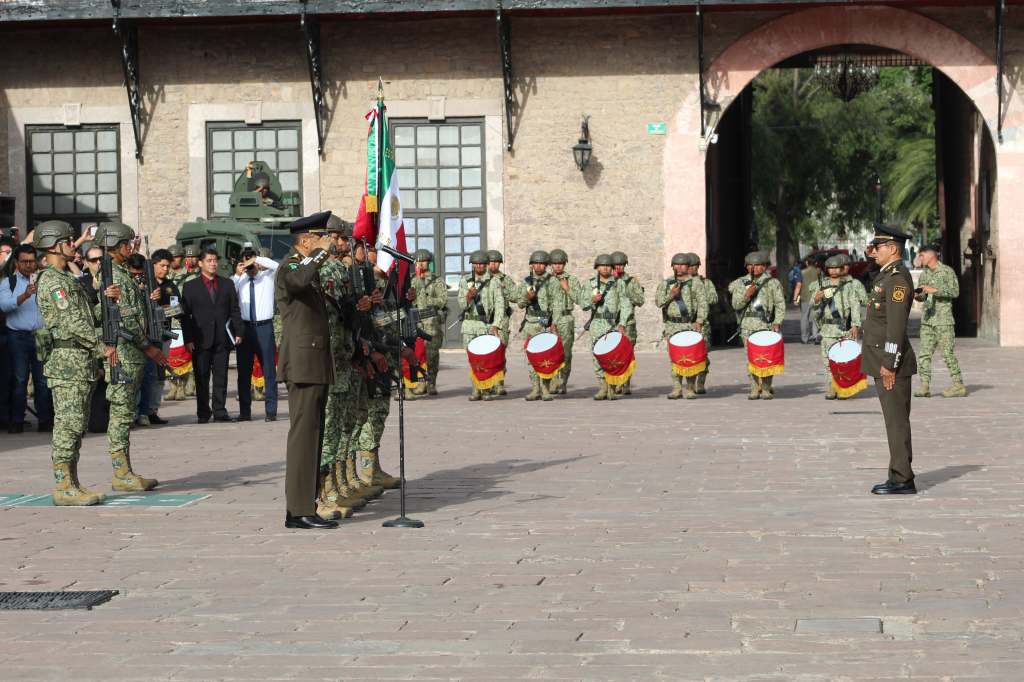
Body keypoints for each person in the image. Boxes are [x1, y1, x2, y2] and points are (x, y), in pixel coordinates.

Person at [33, 221, 118, 505]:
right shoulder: (53, 281)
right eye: (69, 241)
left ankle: (73, 481)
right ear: (55, 246)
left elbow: (86, 316)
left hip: (79, 362)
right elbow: (72, 323)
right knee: (67, 425)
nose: (74, 245)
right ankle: (63, 485)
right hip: (67, 363)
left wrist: (104, 301)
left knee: (77, 425)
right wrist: (100, 346)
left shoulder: (67, 280)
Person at [276, 211, 339, 530]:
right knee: (303, 436)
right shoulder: (290, 266)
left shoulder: (306, 266)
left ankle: (304, 505)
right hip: (302, 363)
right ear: (305, 240)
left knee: (313, 435)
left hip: (314, 362)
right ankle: (298, 508)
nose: (325, 240)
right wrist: (321, 251)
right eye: (319, 236)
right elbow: (298, 280)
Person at [92, 222, 166, 491]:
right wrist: (149, 347)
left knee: (125, 413)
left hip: (131, 352)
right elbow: (126, 317)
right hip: (124, 353)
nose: (131, 247)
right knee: (122, 414)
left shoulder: (121, 273)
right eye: (128, 244)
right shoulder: (115, 275)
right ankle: (121, 473)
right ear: (119, 245)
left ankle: (125, 470)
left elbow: (134, 308)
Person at [862, 225, 918, 495]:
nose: (874, 251)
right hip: (884, 358)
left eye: (878, 247)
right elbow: (874, 280)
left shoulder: (897, 280)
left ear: (892, 249)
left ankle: (902, 478)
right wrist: (870, 258)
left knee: (896, 421)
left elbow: (895, 326)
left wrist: (889, 363)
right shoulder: (887, 276)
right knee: (893, 420)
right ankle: (898, 473)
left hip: (891, 362)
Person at [179, 248, 243, 423]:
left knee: (221, 376)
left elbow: (234, 310)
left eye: (215, 260)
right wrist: (189, 339)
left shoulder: (227, 284)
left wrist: (238, 331)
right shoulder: (190, 287)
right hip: (200, 340)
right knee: (201, 377)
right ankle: (203, 412)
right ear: (200, 263)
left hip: (222, 339)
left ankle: (220, 410)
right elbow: (185, 316)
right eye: (209, 260)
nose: (213, 263)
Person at [0, 244, 54, 432]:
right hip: (18, 336)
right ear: (17, 262)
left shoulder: (45, 281)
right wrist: (24, 295)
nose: (29, 265)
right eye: (25, 261)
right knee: (20, 380)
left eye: (32, 261)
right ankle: (16, 421)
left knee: (43, 380)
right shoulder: (9, 282)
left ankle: (45, 420)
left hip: (42, 336)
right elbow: (4, 305)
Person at [729, 251, 785, 400]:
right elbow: (735, 305)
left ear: (765, 266)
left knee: (767, 358)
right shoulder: (740, 283)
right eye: (751, 265)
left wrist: (777, 322)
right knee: (751, 359)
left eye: (759, 265)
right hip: (747, 326)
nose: (755, 268)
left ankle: (766, 387)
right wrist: (747, 294)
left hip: (765, 325)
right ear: (746, 267)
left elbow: (780, 304)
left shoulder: (772, 283)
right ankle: (754, 387)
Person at [232, 246, 280, 421]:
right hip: (245, 328)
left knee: (268, 370)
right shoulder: (240, 280)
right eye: (246, 261)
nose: (250, 267)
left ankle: (271, 411)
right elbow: (230, 290)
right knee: (244, 371)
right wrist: (239, 273)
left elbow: (277, 266)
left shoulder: (267, 277)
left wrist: (256, 260)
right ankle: (245, 412)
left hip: (264, 327)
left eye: (252, 261)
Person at [914, 243, 967, 398]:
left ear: (930, 255)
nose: (920, 258)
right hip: (928, 320)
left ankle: (958, 385)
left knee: (947, 353)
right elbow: (923, 295)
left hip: (943, 320)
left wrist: (934, 291)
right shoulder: (924, 274)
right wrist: (919, 295)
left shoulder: (947, 271)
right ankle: (924, 386)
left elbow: (955, 292)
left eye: (921, 255)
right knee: (924, 354)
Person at [656, 253, 709, 399]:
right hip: (672, 325)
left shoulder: (696, 283)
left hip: (689, 324)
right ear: (672, 266)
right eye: (676, 265)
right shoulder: (666, 283)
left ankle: (690, 388)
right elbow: (658, 302)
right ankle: (677, 388)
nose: (679, 268)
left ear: (688, 266)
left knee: (690, 357)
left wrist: (699, 321)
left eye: (682, 265)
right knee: (675, 357)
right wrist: (671, 295)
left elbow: (703, 303)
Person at [581, 254, 632, 401]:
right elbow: (583, 304)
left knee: (614, 356)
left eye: (608, 266)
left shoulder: (619, 283)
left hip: (613, 324)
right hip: (597, 324)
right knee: (597, 356)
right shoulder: (590, 284)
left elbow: (625, 304)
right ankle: (602, 387)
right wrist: (592, 300)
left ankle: (612, 387)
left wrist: (622, 323)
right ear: (596, 267)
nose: (605, 268)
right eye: (602, 265)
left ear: (612, 268)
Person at [810, 254, 862, 399]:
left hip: (842, 329)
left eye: (836, 268)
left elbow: (855, 306)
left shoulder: (849, 286)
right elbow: (814, 308)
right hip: (827, 329)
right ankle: (831, 387)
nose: (833, 271)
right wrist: (816, 299)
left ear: (841, 269)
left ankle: (843, 388)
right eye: (831, 268)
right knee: (828, 361)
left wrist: (855, 325)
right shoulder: (821, 285)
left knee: (842, 361)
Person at [459, 250, 507, 401]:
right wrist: (468, 297)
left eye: (481, 264)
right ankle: (475, 389)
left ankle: (486, 389)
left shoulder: (494, 281)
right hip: (469, 325)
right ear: (472, 265)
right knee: (473, 359)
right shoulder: (465, 281)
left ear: (486, 265)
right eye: (476, 264)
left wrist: (496, 324)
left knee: (485, 358)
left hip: (484, 325)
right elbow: (461, 304)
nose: (479, 266)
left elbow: (500, 304)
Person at [142, 249, 179, 425]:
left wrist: (162, 310)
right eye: (161, 265)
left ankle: (152, 410)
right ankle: (139, 411)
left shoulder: (170, 286)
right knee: (143, 374)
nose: (165, 269)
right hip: (145, 335)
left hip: (163, 334)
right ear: (153, 265)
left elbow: (179, 309)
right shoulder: (143, 283)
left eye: (167, 266)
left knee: (159, 375)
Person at [517, 250, 557, 401]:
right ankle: (535, 388)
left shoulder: (552, 282)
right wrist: (527, 297)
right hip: (530, 325)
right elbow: (520, 304)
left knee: (545, 358)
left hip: (545, 324)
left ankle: (546, 389)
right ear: (532, 265)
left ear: (546, 265)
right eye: (536, 263)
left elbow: (557, 304)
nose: (538, 266)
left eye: (542, 263)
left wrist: (554, 323)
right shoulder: (526, 281)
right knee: (531, 358)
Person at [410, 249, 448, 397]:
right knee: (418, 354)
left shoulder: (437, 281)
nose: (421, 263)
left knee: (432, 355)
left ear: (429, 262)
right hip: (416, 323)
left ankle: (431, 383)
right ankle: (420, 382)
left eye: (424, 261)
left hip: (432, 324)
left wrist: (425, 300)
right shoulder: (412, 280)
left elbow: (442, 300)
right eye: (418, 261)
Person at [610, 251, 645, 395]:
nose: (618, 267)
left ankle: (626, 383)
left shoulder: (632, 281)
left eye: (621, 265)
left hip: (628, 323)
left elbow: (640, 300)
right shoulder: (607, 281)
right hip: (611, 323)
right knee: (613, 354)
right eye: (616, 265)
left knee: (626, 354)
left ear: (625, 265)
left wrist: (627, 292)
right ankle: (616, 382)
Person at [548, 248, 581, 394]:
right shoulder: (546, 280)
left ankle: (563, 382)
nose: (557, 266)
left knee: (566, 353)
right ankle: (553, 381)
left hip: (566, 318)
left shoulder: (571, 279)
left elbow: (580, 299)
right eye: (555, 263)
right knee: (550, 353)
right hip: (549, 320)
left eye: (560, 263)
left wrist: (567, 288)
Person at [486, 250, 516, 395]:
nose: (493, 264)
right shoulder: (481, 279)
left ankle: (499, 383)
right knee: (486, 353)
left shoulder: (505, 280)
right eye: (491, 261)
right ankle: (487, 383)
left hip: (502, 321)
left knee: (499, 353)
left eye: (497, 261)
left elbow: (515, 296)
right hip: (485, 320)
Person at [687, 253, 718, 394]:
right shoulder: (679, 282)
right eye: (689, 266)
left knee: (702, 354)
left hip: (702, 324)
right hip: (685, 324)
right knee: (686, 354)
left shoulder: (706, 283)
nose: (691, 269)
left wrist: (700, 293)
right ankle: (689, 384)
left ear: (698, 267)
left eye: (694, 266)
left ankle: (700, 382)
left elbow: (714, 298)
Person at [794, 257, 821, 344]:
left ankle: (804, 338)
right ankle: (816, 336)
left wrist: (795, 298)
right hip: (817, 298)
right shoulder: (819, 272)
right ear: (815, 263)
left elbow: (798, 285)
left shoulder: (801, 272)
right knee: (816, 317)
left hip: (805, 298)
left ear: (806, 263)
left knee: (804, 317)